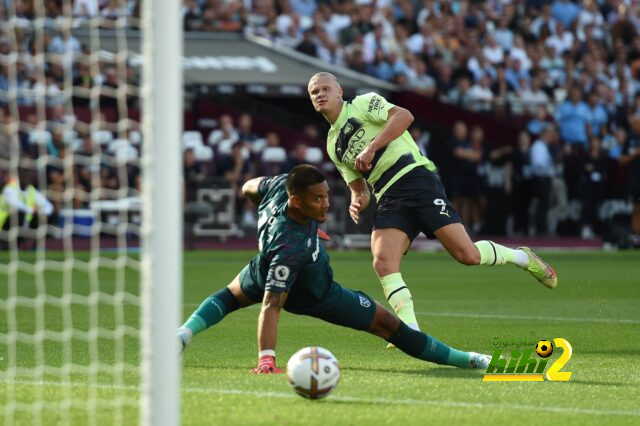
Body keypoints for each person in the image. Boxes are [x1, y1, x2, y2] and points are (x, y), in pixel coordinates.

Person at [307, 72, 557, 337]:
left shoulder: (362, 104)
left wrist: (372, 147)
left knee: (467, 255)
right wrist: (358, 200)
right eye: (314, 92)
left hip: (416, 180)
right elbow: (357, 186)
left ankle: (522, 257)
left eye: (325, 88)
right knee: (383, 263)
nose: (320, 94)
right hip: (388, 196)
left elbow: (404, 116)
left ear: (339, 92)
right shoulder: (333, 145)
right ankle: (411, 332)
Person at [177, 165, 492, 373]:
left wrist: (254, 198)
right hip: (315, 292)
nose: (326, 203)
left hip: (263, 267)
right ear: (296, 201)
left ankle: (183, 334)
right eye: (317, 199)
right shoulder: (291, 245)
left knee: (230, 296)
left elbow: (248, 186)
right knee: (388, 324)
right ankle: (470, 360)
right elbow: (272, 305)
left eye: (326, 194)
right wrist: (266, 359)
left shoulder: (277, 189)